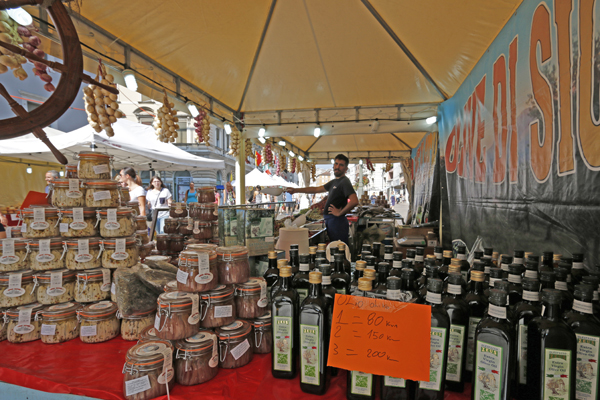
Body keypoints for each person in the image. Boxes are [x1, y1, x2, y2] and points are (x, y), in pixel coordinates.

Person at [287, 154, 358, 245]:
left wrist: (340, 213)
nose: (337, 167)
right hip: (332, 221)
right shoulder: (334, 182)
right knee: (335, 247)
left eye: (341, 165)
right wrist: (296, 190)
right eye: (336, 164)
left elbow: (354, 201)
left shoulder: (344, 181)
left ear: (346, 169)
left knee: (339, 249)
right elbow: (316, 189)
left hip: (337, 222)